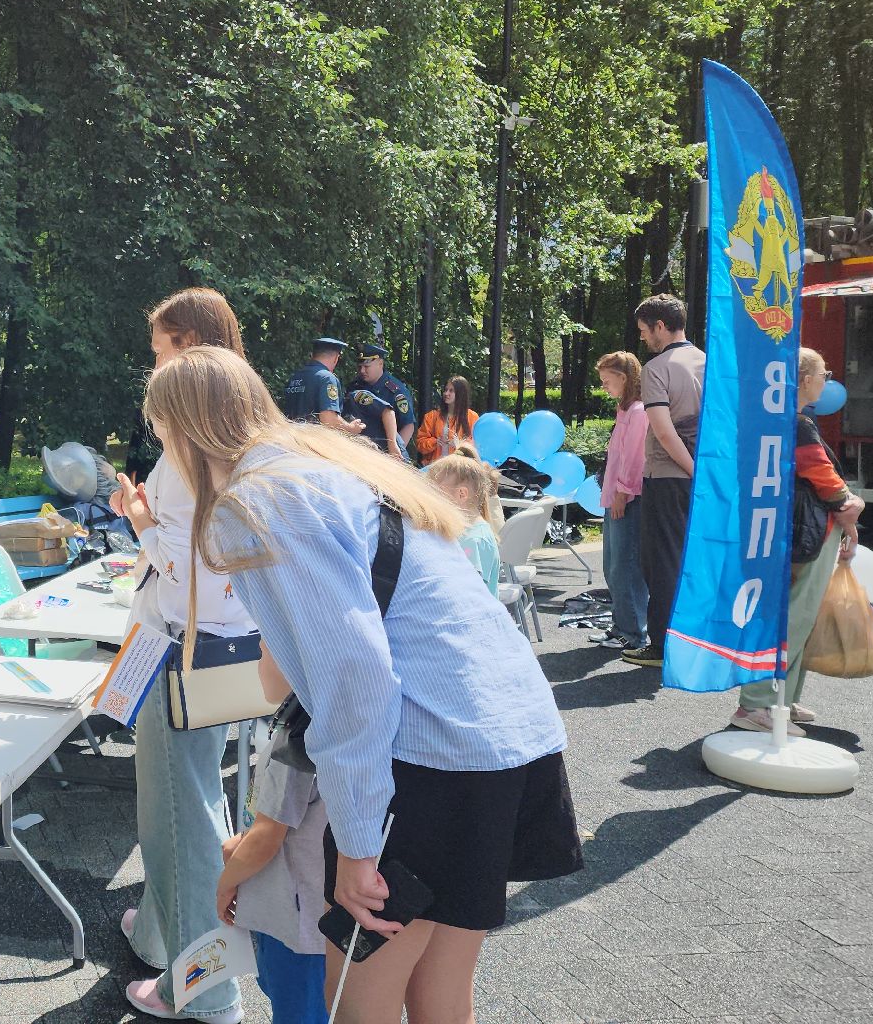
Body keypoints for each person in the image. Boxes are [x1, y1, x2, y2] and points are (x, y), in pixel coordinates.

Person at [144, 346, 581, 1024]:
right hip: (509, 735)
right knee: (442, 999)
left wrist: (355, 848)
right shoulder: (325, 460)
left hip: (432, 752)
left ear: (181, 430)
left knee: (355, 1006)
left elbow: (355, 676)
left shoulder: (257, 500)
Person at [109, 287, 256, 1023]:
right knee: (191, 809)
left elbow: (189, 567)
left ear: (189, 347)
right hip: (222, 653)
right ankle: (167, 937)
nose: (153, 368)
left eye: (160, 349)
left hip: (180, 654)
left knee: (184, 821)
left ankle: (202, 989)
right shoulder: (236, 435)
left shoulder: (191, 449)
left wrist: (140, 524)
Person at [728, 348, 866, 734]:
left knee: (792, 614)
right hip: (807, 531)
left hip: (780, 529)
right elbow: (819, 473)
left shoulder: (770, 416)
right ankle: (758, 705)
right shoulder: (798, 422)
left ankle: (781, 700)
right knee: (794, 616)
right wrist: (849, 503)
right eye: (825, 374)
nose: (828, 380)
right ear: (805, 379)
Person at [217, 723, 330, 1024]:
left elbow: (267, 837)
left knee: (298, 1010)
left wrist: (226, 883)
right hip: (317, 913)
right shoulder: (336, 725)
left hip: (294, 922)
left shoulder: (299, 741)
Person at [622, 294, 705, 667]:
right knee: (692, 559)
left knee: (661, 562)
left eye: (644, 330)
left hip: (669, 475)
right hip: (700, 476)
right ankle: (692, 638)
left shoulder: (657, 369)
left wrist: (690, 469)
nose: (642, 338)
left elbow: (665, 432)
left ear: (660, 326)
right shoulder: (708, 362)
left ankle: (661, 646)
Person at [593, 352, 650, 652]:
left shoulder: (638, 411)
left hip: (626, 498)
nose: (604, 386)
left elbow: (634, 458)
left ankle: (633, 632)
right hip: (618, 496)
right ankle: (622, 627)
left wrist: (622, 492)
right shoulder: (626, 409)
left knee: (625, 566)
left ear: (623, 378)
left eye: (606, 380)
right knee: (613, 564)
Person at [424, 454, 503, 595]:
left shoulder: (473, 540)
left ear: (461, 494)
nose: (430, 498)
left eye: (435, 491)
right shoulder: (471, 532)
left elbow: (467, 594)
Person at [346, 344, 415, 459]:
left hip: (387, 454)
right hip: (361, 453)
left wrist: (395, 451)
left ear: (380, 363)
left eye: (366, 366)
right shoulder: (354, 387)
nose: (362, 371)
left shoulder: (396, 391)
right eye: (360, 367)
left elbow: (408, 425)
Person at [282, 337, 362, 433]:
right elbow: (328, 419)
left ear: (313, 355)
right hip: (316, 441)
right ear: (336, 358)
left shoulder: (295, 376)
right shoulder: (327, 378)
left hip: (291, 439)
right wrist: (351, 428)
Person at [412, 376, 479, 466]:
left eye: (451, 391)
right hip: (435, 468)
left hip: (460, 469)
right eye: (445, 390)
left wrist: (460, 445)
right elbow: (420, 443)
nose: (446, 393)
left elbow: (477, 446)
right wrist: (435, 442)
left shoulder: (472, 417)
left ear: (461, 394)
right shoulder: (432, 416)